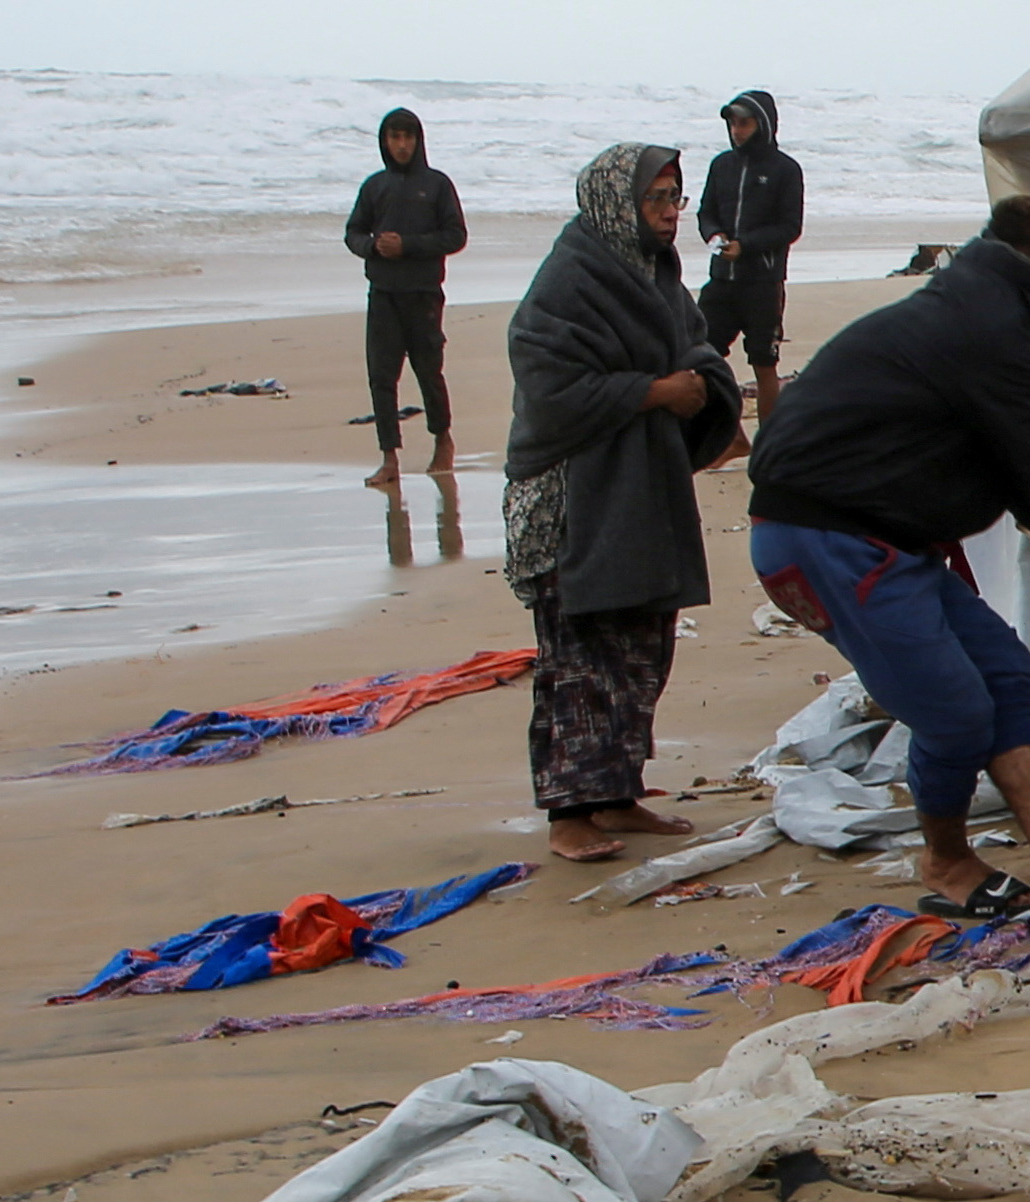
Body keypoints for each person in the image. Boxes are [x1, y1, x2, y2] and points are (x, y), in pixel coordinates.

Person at [744, 195, 1030, 921]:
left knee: (1002, 673)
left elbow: (1023, 478)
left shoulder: (970, 310)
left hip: (888, 540)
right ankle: (947, 859)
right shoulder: (992, 327)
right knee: (956, 712)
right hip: (826, 538)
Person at [503, 143, 739, 860]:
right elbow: (549, 385)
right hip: (574, 501)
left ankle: (617, 793)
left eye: (676, 199)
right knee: (579, 655)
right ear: (616, 204)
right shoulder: (569, 280)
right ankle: (570, 812)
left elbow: (695, 347)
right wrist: (651, 391)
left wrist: (698, 388)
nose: (671, 215)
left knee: (640, 646)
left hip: (639, 490)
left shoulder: (656, 273)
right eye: (657, 201)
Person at [342, 106, 466, 489]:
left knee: (429, 371)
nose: (401, 145)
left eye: (407, 137)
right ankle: (389, 457)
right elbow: (353, 233)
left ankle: (443, 441)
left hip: (424, 294)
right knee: (381, 376)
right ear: (384, 142)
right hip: (383, 294)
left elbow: (455, 236)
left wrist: (408, 245)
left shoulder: (437, 185)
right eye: (394, 137)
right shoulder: (374, 186)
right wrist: (374, 247)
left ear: (418, 141)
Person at [697, 88, 807, 427]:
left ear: (763, 124)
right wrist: (714, 235)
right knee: (700, 354)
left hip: (763, 282)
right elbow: (706, 212)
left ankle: (770, 443)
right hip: (722, 279)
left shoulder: (785, 169)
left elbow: (790, 227)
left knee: (763, 362)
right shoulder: (721, 165)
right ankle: (726, 437)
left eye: (744, 123)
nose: (737, 131)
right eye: (733, 124)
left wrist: (746, 245)